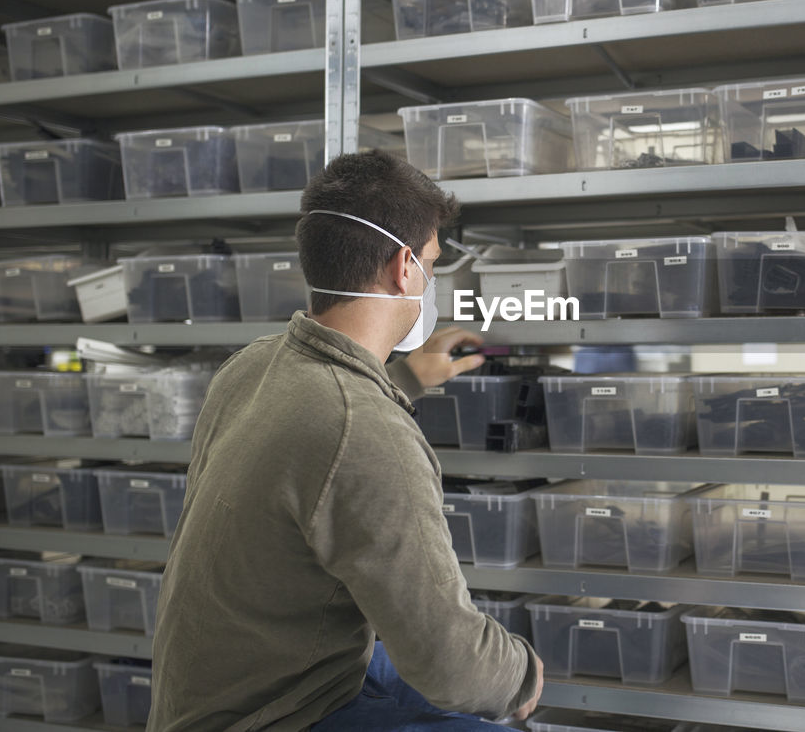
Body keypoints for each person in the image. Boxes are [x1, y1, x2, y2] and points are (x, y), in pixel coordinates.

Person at [149, 150, 543, 731]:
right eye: (432, 264)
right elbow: (450, 665)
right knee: (484, 692)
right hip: (274, 716)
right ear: (403, 267)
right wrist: (522, 676)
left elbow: (319, 440)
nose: (431, 282)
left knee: (388, 660)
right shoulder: (366, 429)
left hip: (210, 694)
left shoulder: (252, 367)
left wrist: (406, 378)